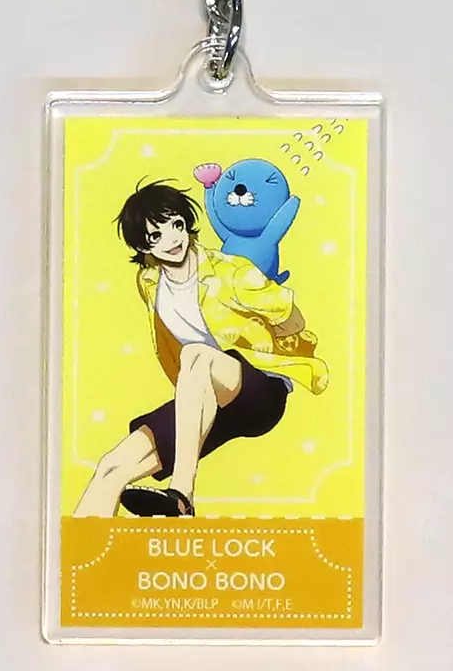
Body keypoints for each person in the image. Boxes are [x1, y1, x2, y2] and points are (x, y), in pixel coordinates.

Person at [73, 180, 328, 517]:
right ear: (142, 245)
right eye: (155, 236)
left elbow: (291, 317)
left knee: (195, 354)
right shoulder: (150, 281)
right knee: (111, 467)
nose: (171, 240)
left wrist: (271, 350)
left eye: (176, 225)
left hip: (259, 390)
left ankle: (181, 494)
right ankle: (86, 546)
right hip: (202, 398)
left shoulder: (232, 273)